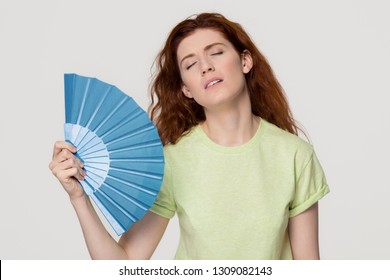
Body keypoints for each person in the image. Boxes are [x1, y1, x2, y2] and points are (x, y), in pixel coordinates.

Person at [49, 12, 329, 260]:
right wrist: (79, 199)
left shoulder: (295, 155)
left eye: (216, 52)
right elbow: (124, 264)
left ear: (245, 61)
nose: (205, 66)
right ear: (187, 89)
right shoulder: (173, 161)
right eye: (190, 64)